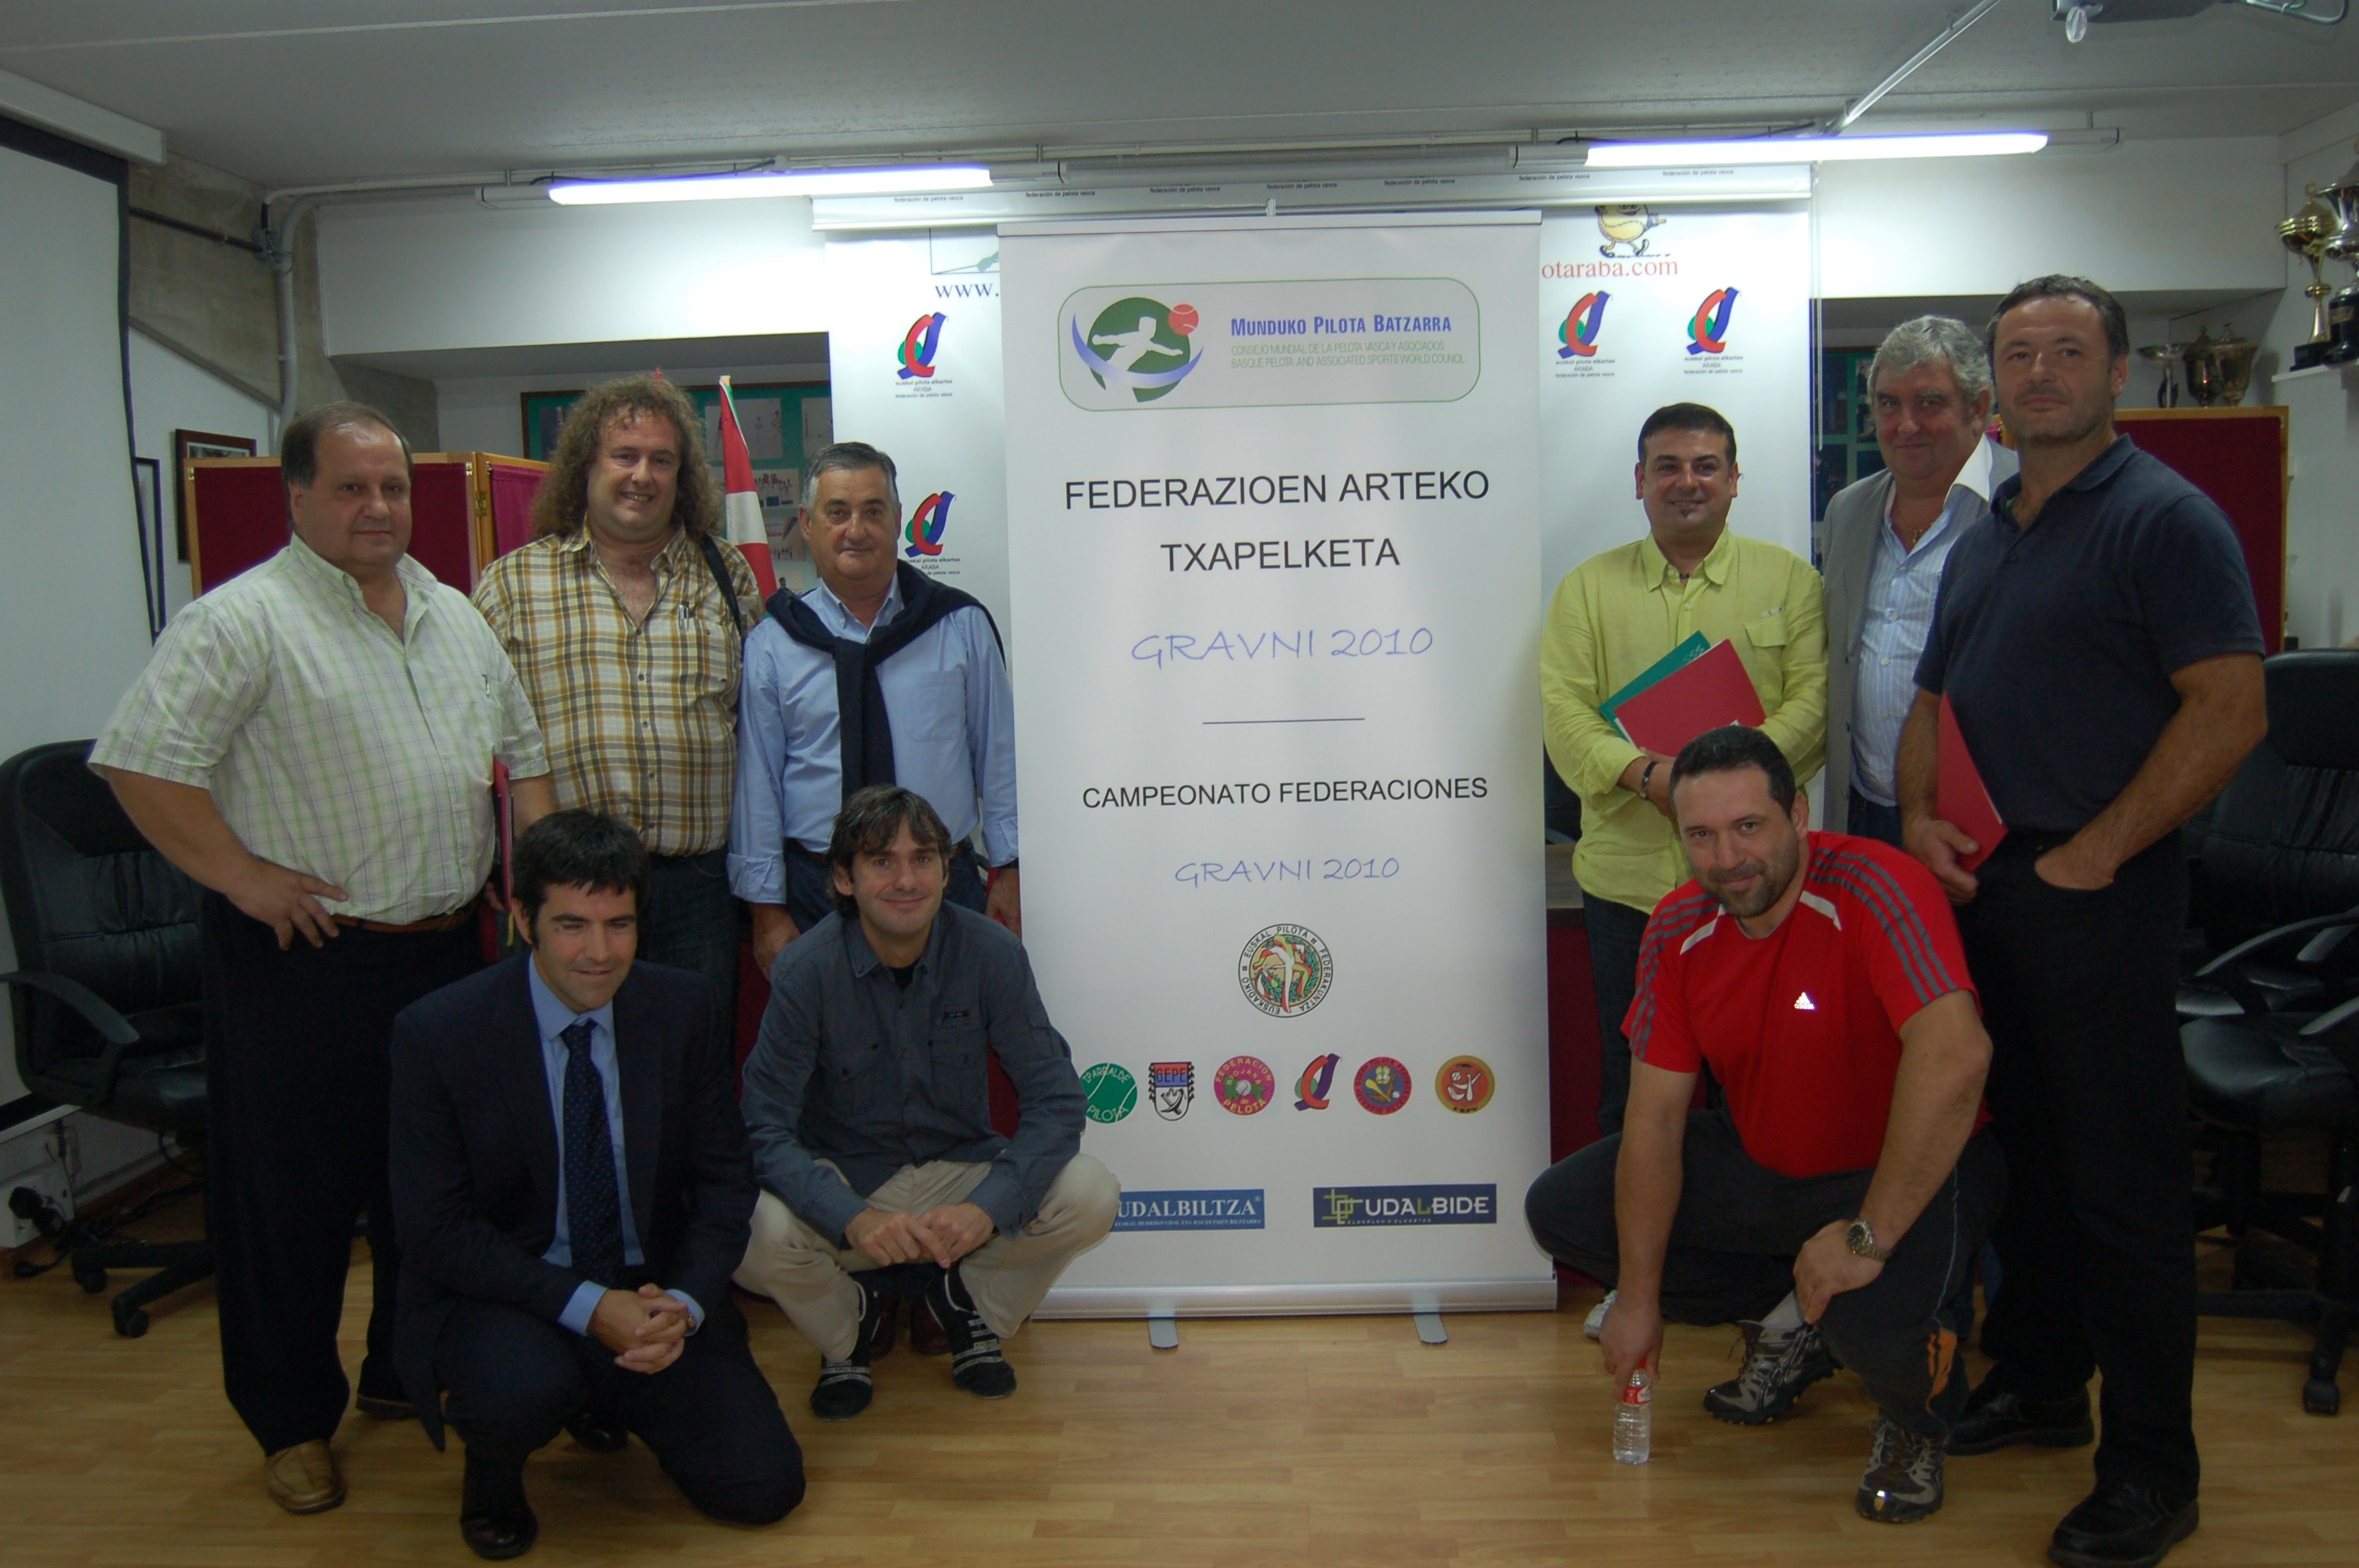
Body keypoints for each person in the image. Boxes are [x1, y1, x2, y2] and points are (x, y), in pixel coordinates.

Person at [89, 402, 557, 1514]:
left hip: (447, 953)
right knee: (288, 1209)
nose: (377, 508)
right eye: (351, 488)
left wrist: (533, 890)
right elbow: (140, 766)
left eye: (391, 488)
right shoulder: (237, 622)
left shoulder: (453, 613)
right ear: (296, 495)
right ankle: (292, 1421)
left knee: (429, 1191)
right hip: (302, 961)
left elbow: (525, 762)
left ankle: (405, 1371)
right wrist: (245, 877)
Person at [1900, 275, 2266, 1568]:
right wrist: (1915, 815)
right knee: (2030, 1171)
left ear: (2114, 374)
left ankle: (2151, 1472)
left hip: (2094, 899)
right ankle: (2045, 1384)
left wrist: (2098, 852)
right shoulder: (1992, 524)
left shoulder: (2165, 521)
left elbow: (2228, 708)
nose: (2040, 373)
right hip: (1986, 888)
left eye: (2067, 351)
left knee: (2122, 1194)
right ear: (1994, 386)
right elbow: (1933, 698)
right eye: (2018, 355)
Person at [1525, 726, 2001, 1526]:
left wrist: (1862, 1236)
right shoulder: (1676, 927)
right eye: (1700, 836)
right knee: (1564, 1209)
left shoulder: (1876, 882)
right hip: (1768, 1161)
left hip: (1906, 1171)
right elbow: (1655, 1118)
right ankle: (1797, 1319)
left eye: (1748, 826)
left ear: (1797, 813)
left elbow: (1957, 1057)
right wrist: (1636, 1298)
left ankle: (1914, 1415)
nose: (1726, 858)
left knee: (1872, 1323)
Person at [388, 810, 802, 1559]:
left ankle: (606, 1392)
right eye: (573, 925)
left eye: (620, 924)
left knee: (763, 1490)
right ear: (523, 918)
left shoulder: (682, 1008)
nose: (600, 953)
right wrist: (589, 1307)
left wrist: (682, 1303)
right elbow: (436, 1232)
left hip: (651, 1290)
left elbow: (723, 1181)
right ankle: (495, 1469)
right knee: (516, 1391)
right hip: (513, 1291)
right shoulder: (437, 1033)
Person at [734, 784, 1118, 1421]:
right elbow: (762, 1128)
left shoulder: (993, 953)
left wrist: (987, 1209)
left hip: (958, 1179)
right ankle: (849, 1329)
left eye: (923, 858)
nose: (906, 879)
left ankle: (964, 1305)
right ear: (843, 877)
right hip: (852, 1187)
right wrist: (850, 1217)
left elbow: (1057, 1103)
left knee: (1091, 1193)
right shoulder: (805, 970)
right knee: (748, 1232)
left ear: (947, 870)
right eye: (882, 860)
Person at [1540, 402, 1828, 1143]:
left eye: (1706, 466)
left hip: (1755, 879)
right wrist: (1645, 776)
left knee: (1758, 1092)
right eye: (1667, 466)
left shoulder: (1791, 580)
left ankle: (1748, 1256)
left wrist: (1718, 792)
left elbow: (1816, 705)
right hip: (1628, 891)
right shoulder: (1586, 590)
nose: (1686, 482)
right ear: (1639, 482)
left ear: (1735, 480)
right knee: (1634, 1094)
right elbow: (1564, 716)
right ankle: (1634, 1259)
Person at [474, 375, 765, 1024]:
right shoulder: (513, 584)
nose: (643, 476)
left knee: (691, 1067)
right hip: (571, 890)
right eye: (624, 456)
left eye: (663, 460)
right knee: (572, 1064)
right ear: (586, 466)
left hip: (697, 888)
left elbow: (759, 724)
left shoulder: (727, 574)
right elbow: (472, 745)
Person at [730, 441, 1019, 978]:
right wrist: (766, 911)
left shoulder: (959, 626)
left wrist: (1010, 871)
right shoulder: (772, 643)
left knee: (949, 1049)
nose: (856, 530)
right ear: (807, 524)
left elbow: (1000, 762)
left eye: (873, 511)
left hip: (941, 886)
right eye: (837, 513)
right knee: (835, 1056)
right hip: (816, 893)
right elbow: (758, 786)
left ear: (898, 520)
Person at [1821, 317, 2016, 847]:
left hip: (1987, 818)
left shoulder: (2031, 498)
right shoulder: (1848, 510)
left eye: (1929, 403)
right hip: (1864, 811)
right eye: (1888, 404)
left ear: (1979, 408)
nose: (1905, 425)